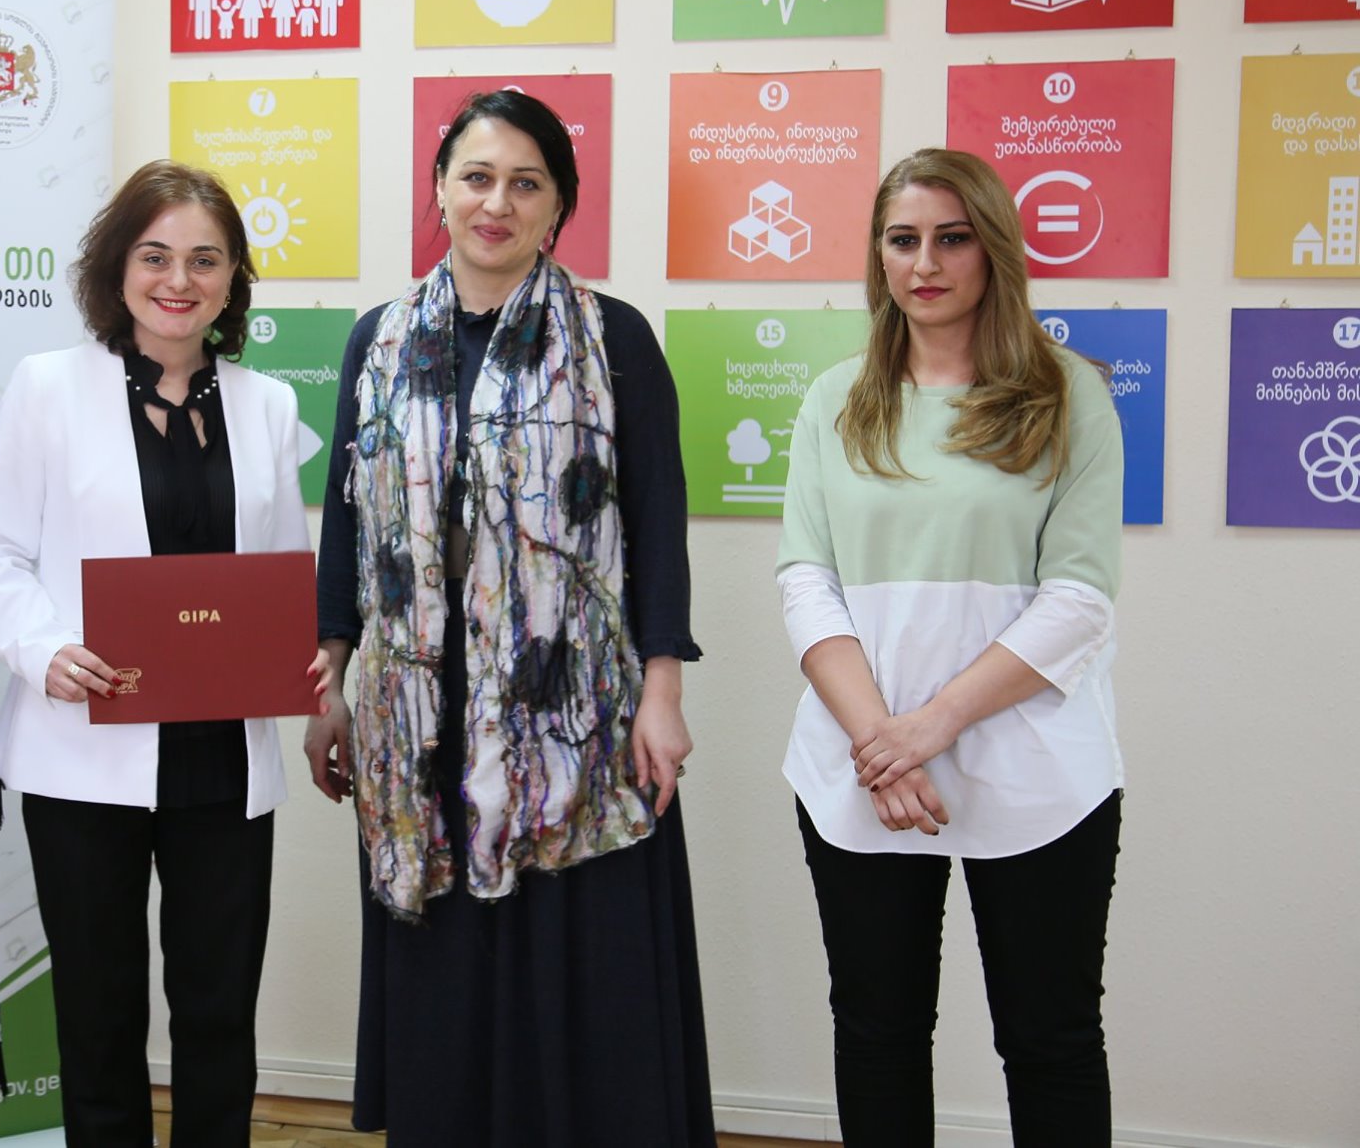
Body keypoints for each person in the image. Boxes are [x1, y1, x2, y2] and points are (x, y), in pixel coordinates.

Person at [305, 90, 715, 1146]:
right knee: (445, 973)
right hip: (417, 718)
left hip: (571, 715)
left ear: (558, 206)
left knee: (578, 967)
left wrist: (661, 691)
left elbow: (657, 523)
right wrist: (329, 680)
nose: (497, 203)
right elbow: (349, 526)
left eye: (525, 183)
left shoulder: (614, 339)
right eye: (476, 177)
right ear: (440, 190)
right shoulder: (378, 340)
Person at [0, 161, 326, 1148]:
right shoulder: (48, 387)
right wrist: (44, 649)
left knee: (218, 1016)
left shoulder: (267, 405)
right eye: (155, 255)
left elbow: (281, 575)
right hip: (84, 749)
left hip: (222, 759)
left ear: (232, 278)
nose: (178, 279)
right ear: (116, 268)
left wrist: (310, 670)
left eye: (205, 259)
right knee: (98, 1016)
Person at [777, 148, 1126, 1146]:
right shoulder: (834, 399)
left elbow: (1079, 598)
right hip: (863, 767)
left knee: (1050, 1040)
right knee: (878, 1032)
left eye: (950, 238)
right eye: (902, 240)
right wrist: (878, 742)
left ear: (992, 249)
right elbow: (805, 582)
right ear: (878, 256)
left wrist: (923, 729)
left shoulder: (1069, 394)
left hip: (1034, 768)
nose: (923, 263)